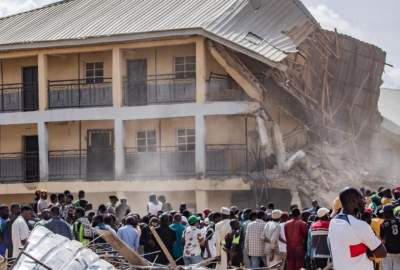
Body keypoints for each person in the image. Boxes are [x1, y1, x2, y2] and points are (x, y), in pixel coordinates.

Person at [329, 187, 387, 270]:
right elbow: (382, 253)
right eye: (361, 199)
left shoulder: (333, 222)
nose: (364, 202)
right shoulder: (359, 225)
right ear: (353, 201)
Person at [380, 205, 400, 270]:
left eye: (384, 212)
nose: (383, 214)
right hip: (398, 253)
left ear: (389, 212)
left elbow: (383, 240)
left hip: (388, 253)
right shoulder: (399, 221)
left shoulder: (383, 224)